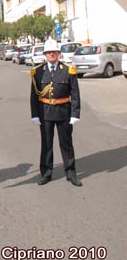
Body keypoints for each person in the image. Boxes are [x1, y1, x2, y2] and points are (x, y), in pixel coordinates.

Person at [30, 38, 82, 187]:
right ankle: (46, 173)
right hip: (45, 112)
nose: (51, 54)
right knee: (46, 144)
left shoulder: (68, 69)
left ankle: (71, 173)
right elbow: (34, 95)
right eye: (48, 52)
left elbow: (75, 93)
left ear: (59, 53)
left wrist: (75, 114)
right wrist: (34, 114)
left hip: (64, 111)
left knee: (66, 144)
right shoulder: (38, 71)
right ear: (45, 54)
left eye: (54, 52)